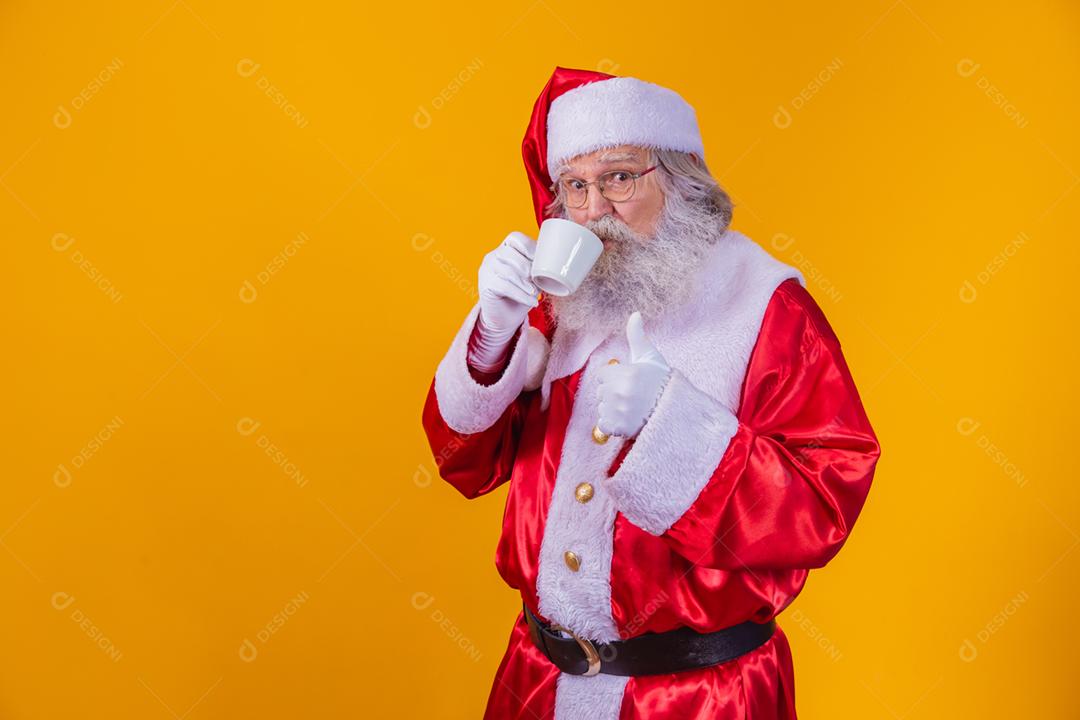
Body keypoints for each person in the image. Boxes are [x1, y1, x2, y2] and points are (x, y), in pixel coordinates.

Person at [420, 65, 881, 720]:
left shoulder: (765, 305)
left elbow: (824, 502)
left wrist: (672, 425)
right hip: (537, 683)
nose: (593, 210)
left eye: (618, 178)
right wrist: (492, 333)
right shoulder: (557, 304)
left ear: (681, 180)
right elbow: (465, 464)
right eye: (575, 186)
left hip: (699, 699)